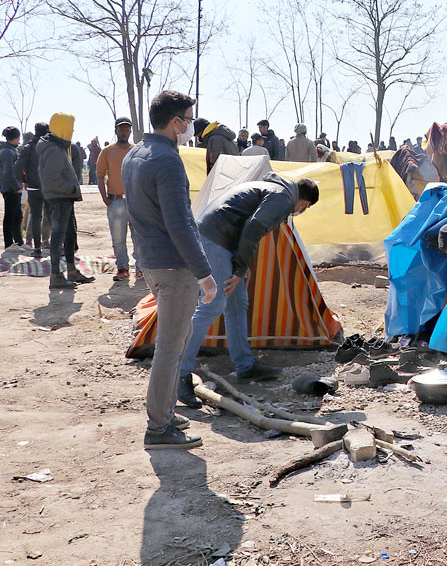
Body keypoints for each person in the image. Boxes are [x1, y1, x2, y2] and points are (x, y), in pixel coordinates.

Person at [122, 90, 216, 451]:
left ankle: (163, 413)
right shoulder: (167, 160)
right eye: (189, 121)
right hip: (175, 267)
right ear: (175, 122)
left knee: (171, 345)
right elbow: (180, 223)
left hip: (151, 260)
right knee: (170, 347)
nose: (190, 127)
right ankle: (158, 428)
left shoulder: (135, 155)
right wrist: (204, 273)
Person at [177, 174, 320, 407]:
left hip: (220, 237)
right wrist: (239, 267)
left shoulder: (276, 188)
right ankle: (179, 373)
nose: (300, 211)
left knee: (237, 302)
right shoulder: (283, 198)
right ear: (305, 203)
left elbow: (244, 224)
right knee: (212, 303)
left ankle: (245, 365)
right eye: (304, 208)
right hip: (215, 238)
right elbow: (254, 226)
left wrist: (241, 266)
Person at [37, 113, 94, 289]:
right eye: (71, 127)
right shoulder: (53, 149)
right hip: (60, 198)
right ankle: (56, 275)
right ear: (63, 128)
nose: (73, 131)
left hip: (63, 198)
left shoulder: (56, 146)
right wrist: (70, 188)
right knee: (58, 236)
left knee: (70, 235)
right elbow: (51, 179)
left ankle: (71, 271)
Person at [98, 117, 138, 281]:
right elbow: (100, 176)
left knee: (139, 237)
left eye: (127, 129)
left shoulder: (137, 150)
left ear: (130, 131)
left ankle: (141, 268)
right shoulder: (106, 151)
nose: (124, 132)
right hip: (115, 202)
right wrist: (105, 198)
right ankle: (123, 268)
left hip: (136, 201)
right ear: (116, 131)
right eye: (121, 129)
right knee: (118, 239)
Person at [16, 122, 49, 259]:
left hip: (33, 187)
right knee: (51, 216)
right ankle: (53, 245)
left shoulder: (28, 148)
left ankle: (37, 248)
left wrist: (24, 180)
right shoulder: (49, 147)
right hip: (48, 187)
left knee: (36, 217)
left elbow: (17, 167)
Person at [0, 126, 24, 250]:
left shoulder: (8, 150)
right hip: (11, 189)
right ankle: (9, 243)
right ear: (17, 138)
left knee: (17, 216)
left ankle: (18, 242)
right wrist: (17, 187)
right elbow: (8, 172)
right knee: (10, 216)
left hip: (11, 188)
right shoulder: (7, 152)